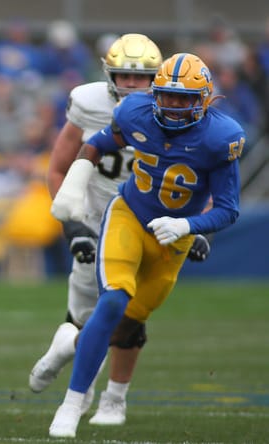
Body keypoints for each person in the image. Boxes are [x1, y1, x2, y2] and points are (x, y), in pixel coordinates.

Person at [47, 52, 243, 438]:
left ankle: (66, 345)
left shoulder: (222, 137)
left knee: (129, 323)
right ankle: (71, 404)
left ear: (203, 99)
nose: (172, 106)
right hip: (129, 216)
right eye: (166, 96)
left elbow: (227, 209)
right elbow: (96, 144)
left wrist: (189, 224)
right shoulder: (135, 111)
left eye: (183, 98)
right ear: (155, 93)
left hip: (174, 239)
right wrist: (73, 186)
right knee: (113, 299)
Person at [31, 33, 172, 424]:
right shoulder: (89, 102)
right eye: (123, 75)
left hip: (146, 220)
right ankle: (84, 379)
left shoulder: (173, 108)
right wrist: (73, 222)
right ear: (109, 75)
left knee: (132, 313)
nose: (130, 84)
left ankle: (113, 398)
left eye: (140, 77)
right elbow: (59, 168)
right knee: (89, 314)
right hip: (97, 219)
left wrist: (193, 226)